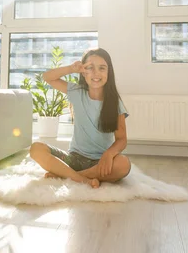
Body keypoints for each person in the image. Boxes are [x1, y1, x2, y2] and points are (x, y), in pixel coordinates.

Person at [29, 48, 131, 189]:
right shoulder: (76, 92)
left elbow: (122, 139)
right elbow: (47, 77)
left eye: (102, 68)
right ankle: (83, 179)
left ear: (109, 72)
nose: (96, 73)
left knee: (123, 164)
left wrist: (109, 154)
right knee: (36, 149)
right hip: (74, 159)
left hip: (100, 162)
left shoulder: (115, 102)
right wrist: (71, 68)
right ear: (83, 72)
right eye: (90, 68)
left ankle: (68, 175)